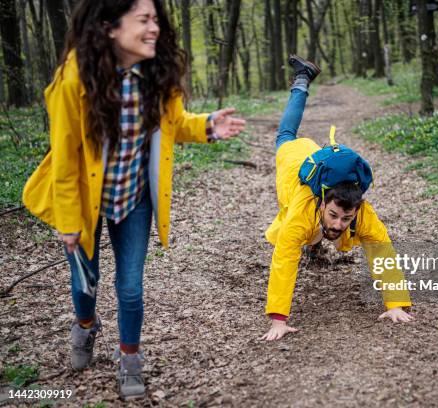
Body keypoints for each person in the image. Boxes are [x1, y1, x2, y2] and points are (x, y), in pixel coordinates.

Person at [22, 0, 245, 399]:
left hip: (134, 197)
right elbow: (66, 161)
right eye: (143, 20)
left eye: (155, 19)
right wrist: (69, 222)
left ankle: (129, 358)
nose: (153, 28)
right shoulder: (73, 80)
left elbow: (175, 124)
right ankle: (86, 326)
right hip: (84, 201)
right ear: (110, 28)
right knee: (84, 283)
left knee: (130, 288)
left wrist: (208, 125)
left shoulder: (157, 74)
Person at [260, 56, 412, 342]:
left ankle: (316, 244)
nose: (340, 223)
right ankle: (301, 82)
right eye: (333, 215)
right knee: (286, 135)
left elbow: (382, 252)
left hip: (321, 171)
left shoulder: (362, 213)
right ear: (321, 203)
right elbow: (284, 259)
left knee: (323, 232)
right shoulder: (302, 212)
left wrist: (395, 304)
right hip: (294, 162)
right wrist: (278, 320)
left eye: (346, 218)